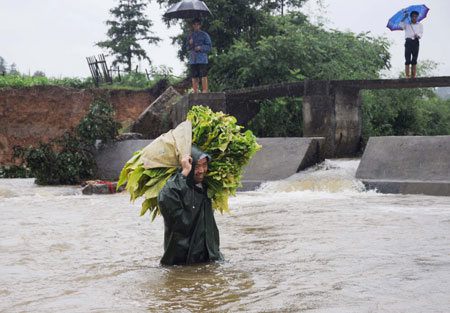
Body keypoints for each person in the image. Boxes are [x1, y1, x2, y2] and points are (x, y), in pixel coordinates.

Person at [158, 145, 224, 265]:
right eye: (197, 166)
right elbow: (165, 199)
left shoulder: (205, 189)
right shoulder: (176, 189)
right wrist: (185, 172)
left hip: (207, 258)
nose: (201, 170)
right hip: (182, 260)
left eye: (204, 165)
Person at [185, 18, 212, 93]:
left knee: (203, 74)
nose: (196, 26)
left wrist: (201, 48)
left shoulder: (204, 35)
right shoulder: (190, 36)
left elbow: (209, 46)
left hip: (202, 58)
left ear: (200, 25)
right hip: (193, 59)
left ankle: (205, 90)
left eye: (197, 24)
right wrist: (190, 44)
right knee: (194, 75)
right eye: (194, 24)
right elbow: (187, 47)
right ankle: (195, 90)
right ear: (193, 25)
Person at [400, 10, 423, 78]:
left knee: (414, 59)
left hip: (415, 42)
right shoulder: (407, 23)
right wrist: (404, 17)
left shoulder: (420, 25)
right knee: (407, 59)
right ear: (410, 17)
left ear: (417, 17)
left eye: (415, 16)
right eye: (412, 16)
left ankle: (413, 75)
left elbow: (421, 33)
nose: (414, 18)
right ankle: (407, 75)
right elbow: (401, 25)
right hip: (408, 41)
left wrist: (417, 35)